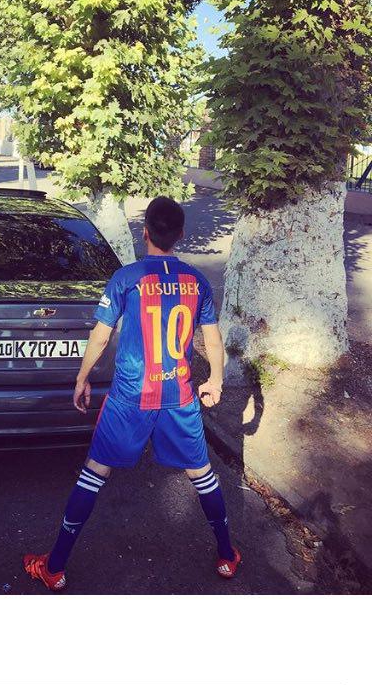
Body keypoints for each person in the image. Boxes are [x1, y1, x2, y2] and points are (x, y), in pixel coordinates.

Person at [23, 195, 240, 591]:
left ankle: (54, 568)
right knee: (202, 475)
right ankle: (228, 555)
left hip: (130, 396)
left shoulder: (126, 278)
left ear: (144, 233)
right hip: (178, 396)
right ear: (180, 235)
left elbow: (100, 336)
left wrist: (82, 378)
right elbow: (212, 338)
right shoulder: (197, 281)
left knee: (94, 473)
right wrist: (215, 380)